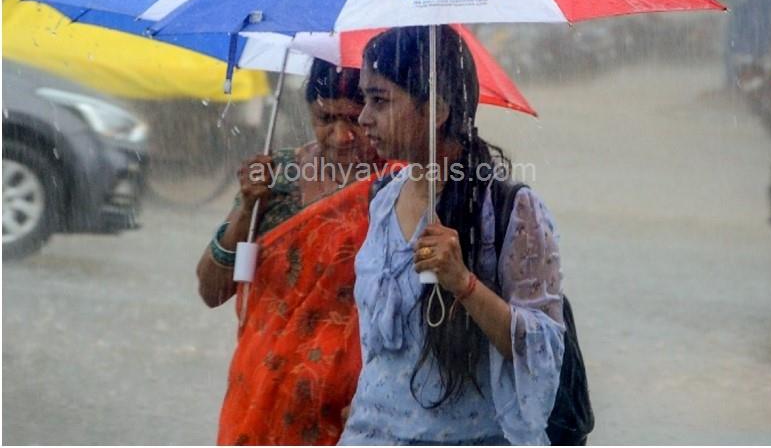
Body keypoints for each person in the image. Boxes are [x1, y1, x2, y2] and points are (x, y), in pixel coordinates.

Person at [339, 26, 565, 445]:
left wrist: (464, 284)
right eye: (364, 99)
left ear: (436, 110)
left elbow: (544, 351)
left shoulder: (510, 211)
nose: (364, 117)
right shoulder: (383, 199)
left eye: (379, 100)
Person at [196, 58, 384, 445]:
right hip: (261, 394)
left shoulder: (398, 186)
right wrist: (248, 210)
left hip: (354, 407)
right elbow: (212, 291)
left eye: (354, 120)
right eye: (325, 118)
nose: (341, 135)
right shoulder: (275, 175)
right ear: (310, 111)